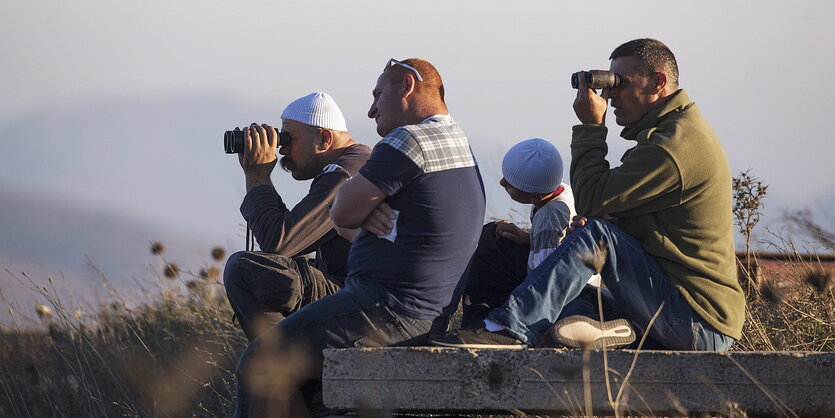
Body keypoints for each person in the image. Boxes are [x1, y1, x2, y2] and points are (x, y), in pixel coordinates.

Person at [431, 38, 744, 351]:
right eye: (609, 83)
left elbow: (592, 198)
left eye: (620, 83)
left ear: (658, 82)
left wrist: (592, 126)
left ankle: (511, 329)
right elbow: (641, 227)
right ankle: (484, 332)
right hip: (659, 302)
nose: (609, 94)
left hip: (695, 322)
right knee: (497, 245)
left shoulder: (675, 146)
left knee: (597, 236)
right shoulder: (665, 135)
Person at [233, 58, 486, 417]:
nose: (370, 111)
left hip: (388, 306)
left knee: (259, 362)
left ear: (408, 87)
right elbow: (354, 218)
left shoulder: (411, 140)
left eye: (378, 95)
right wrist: (359, 216)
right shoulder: (456, 141)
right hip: (420, 307)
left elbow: (335, 215)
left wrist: (259, 178)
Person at [223, 92, 371, 341]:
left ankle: (279, 363)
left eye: (289, 139)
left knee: (244, 269)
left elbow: (280, 244)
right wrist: (259, 177)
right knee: (267, 270)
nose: (282, 149)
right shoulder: (355, 164)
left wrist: (257, 177)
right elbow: (289, 238)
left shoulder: (345, 174)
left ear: (324, 138)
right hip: (356, 292)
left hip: (363, 302)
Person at [459, 138, 585, 329]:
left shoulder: (550, 216)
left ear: (535, 196)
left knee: (489, 244)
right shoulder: (560, 191)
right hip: (564, 271)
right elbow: (556, 244)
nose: (502, 183)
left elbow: (544, 275)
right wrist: (528, 239)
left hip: (564, 292)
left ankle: (482, 324)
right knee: (492, 234)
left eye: (510, 185)